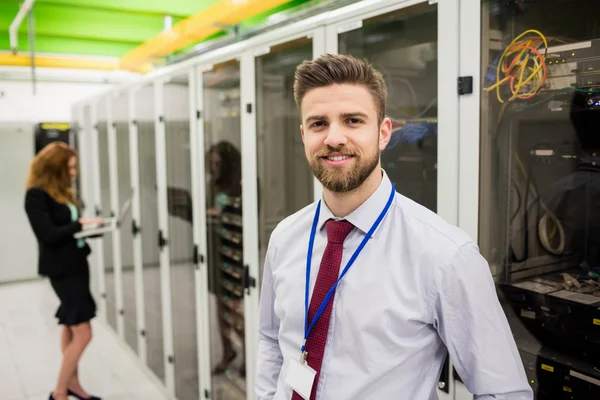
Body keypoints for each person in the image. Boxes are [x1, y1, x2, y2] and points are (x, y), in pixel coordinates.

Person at [255, 53, 533, 400]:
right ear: (303, 135)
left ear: (384, 132)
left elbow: (503, 391)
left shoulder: (445, 255)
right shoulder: (285, 237)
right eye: (318, 124)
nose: (334, 138)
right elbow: (271, 339)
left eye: (353, 120)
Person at [24, 142, 102, 400]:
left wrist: (90, 228)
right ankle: (60, 392)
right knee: (84, 332)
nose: (74, 172)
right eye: (69, 168)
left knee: (71, 324)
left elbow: (68, 228)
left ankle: (73, 384)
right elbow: (47, 234)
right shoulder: (35, 195)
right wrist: (79, 224)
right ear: (54, 168)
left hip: (77, 263)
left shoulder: (63, 192)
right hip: (62, 269)